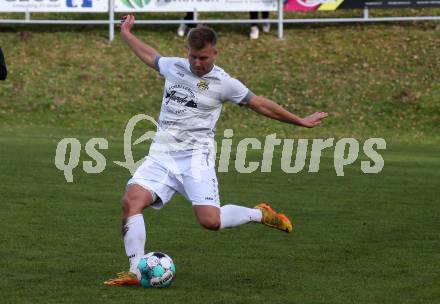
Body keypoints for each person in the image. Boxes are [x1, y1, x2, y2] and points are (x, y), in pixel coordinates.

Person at [104, 15, 328, 286]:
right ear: (188, 52)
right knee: (131, 202)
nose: (198, 63)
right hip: (161, 156)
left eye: (204, 58)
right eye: (194, 57)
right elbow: (151, 55)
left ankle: (260, 213)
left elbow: (261, 104)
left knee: (211, 221)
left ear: (215, 53)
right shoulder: (174, 67)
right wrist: (127, 34)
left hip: (196, 159)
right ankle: (135, 270)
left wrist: (300, 121)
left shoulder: (225, 83)